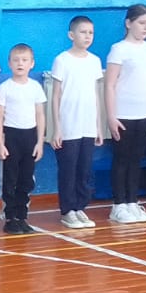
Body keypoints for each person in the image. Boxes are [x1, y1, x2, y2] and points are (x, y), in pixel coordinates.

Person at [104, 5, 146, 223]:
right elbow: (110, 85)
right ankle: (118, 205)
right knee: (122, 159)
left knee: (136, 160)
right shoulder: (119, 49)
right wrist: (111, 116)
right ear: (128, 23)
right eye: (141, 23)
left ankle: (132, 202)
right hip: (123, 113)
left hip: (144, 113)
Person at [49, 16, 103, 229]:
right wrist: (57, 128)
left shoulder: (94, 61)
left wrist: (98, 125)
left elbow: (96, 94)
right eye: (83, 32)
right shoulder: (62, 60)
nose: (87, 36)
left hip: (87, 125)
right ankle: (67, 210)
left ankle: (80, 207)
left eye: (91, 32)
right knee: (68, 169)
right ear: (71, 35)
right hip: (68, 126)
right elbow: (56, 95)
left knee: (84, 169)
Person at [0, 44, 46, 234]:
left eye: (24, 60)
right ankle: (10, 217)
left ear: (32, 64)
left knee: (26, 179)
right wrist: (1, 143)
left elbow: (40, 115)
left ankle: (22, 216)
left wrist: (40, 142)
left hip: (29, 137)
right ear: (9, 63)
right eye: (16, 60)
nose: (20, 64)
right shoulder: (5, 88)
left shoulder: (35, 87)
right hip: (11, 137)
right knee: (10, 179)